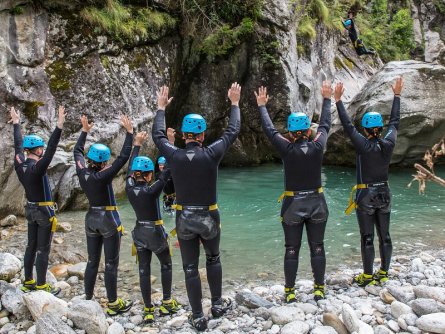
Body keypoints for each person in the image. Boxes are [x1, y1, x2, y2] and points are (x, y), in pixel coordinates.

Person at [152, 83, 241, 331]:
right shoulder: (212, 153)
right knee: (213, 258)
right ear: (202, 135)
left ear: (183, 135)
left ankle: (197, 316)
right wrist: (234, 103)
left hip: (184, 218)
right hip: (209, 216)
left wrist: (160, 109)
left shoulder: (173, 155)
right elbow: (232, 131)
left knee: (190, 267)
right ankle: (217, 304)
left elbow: (158, 136)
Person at [255, 81, 332, 303]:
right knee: (317, 246)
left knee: (292, 248)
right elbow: (325, 124)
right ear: (309, 131)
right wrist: (327, 99)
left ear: (289, 133)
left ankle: (290, 292)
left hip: (292, 205)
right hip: (317, 202)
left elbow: (270, 131)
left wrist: (262, 106)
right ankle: (319, 289)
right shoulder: (318, 146)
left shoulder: (286, 148)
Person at [334, 77, 403, 287]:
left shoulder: (362, 144)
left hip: (365, 196)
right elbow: (395, 122)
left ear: (365, 129)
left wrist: (338, 101)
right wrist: (397, 95)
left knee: (367, 237)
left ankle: (367, 275)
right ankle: (384, 273)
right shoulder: (389, 142)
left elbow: (347, 125)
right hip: (384, 193)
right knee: (385, 236)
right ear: (380, 128)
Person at [73, 114, 134, 315]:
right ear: (103, 163)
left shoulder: (83, 172)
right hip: (108, 219)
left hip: (91, 218)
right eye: (106, 161)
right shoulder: (104, 175)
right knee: (110, 263)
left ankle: (88, 297)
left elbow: (77, 151)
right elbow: (124, 158)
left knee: (92, 260)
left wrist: (84, 131)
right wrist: (130, 133)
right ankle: (113, 303)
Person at [9, 106, 66, 295]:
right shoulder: (37, 167)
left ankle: (28, 282)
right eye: (41, 149)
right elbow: (51, 150)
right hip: (43, 212)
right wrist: (58, 126)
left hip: (30, 210)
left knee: (30, 247)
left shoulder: (20, 163)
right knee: (43, 249)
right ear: (38, 150)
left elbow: (17, 145)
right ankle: (41, 285)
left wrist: (16, 123)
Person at [125, 131, 180, 324]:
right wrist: (170, 143)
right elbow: (168, 170)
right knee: (166, 265)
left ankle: (148, 308)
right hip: (155, 233)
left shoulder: (129, 187)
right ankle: (166, 302)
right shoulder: (152, 189)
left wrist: (137, 144)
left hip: (139, 233)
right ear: (149, 175)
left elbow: (129, 171)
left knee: (144, 270)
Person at [157, 128, 176, 214]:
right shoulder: (158, 174)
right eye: (160, 165)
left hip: (174, 196)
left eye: (162, 165)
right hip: (166, 197)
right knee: (166, 212)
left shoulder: (171, 173)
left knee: (172, 213)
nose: (161, 167)